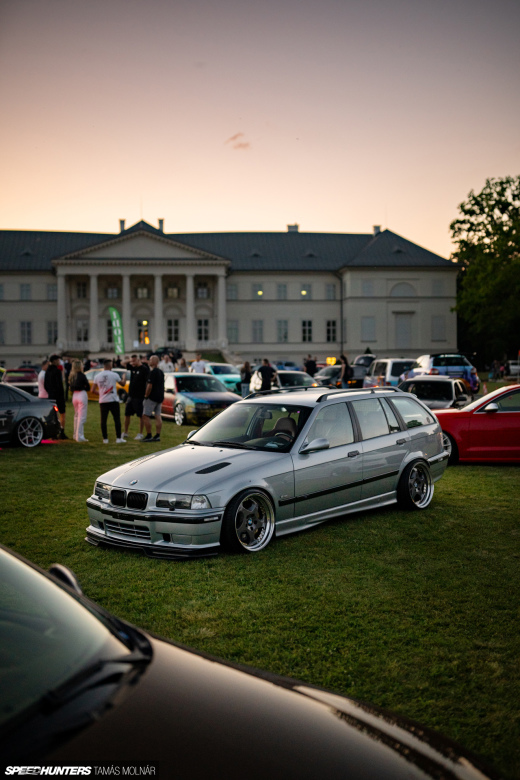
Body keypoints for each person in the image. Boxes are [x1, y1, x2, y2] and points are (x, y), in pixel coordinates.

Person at [92, 359, 126, 444]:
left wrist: (100, 394)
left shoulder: (97, 376)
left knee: (103, 420)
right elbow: (123, 384)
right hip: (113, 400)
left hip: (103, 401)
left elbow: (92, 390)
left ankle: (105, 439)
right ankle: (118, 438)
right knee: (116, 419)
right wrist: (124, 377)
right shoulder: (114, 375)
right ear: (110, 365)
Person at [123, 354, 149, 440]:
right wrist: (131, 360)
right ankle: (125, 432)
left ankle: (140, 433)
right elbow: (122, 363)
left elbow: (147, 382)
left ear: (139, 360)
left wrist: (146, 394)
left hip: (140, 396)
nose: (132, 363)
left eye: (134, 361)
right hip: (131, 395)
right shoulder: (132, 367)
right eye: (131, 361)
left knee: (140, 415)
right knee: (127, 414)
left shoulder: (144, 369)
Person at [44, 354, 68, 439]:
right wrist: (63, 396)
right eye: (58, 360)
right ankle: (61, 432)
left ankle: (53, 433)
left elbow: (45, 385)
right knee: (62, 413)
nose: (59, 362)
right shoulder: (57, 371)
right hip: (58, 396)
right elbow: (59, 386)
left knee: (54, 414)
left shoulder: (47, 371)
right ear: (54, 361)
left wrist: (50, 392)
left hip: (51, 395)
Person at [142, 355, 164, 442]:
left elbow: (149, 386)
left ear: (155, 362)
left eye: (150, 360)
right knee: (158, 415)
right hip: (159, 397)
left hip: (152, 397)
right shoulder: (161, 372)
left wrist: (146, 396)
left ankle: (149, 435)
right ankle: (157, 435)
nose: (149, 361)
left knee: (145, 415)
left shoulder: (152, 372)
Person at [68, 359, 90, 442]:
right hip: (81, 394)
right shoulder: (82, 375)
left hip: (75, 395)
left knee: (76, 415)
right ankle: (79, 436)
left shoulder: (72, 376)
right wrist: (83, 387)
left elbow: (70, 387)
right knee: (82, 417)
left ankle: (75, 434)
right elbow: (88, 387)